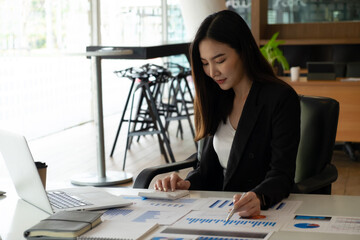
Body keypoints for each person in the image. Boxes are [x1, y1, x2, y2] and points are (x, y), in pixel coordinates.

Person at [154, 10, 300, 218]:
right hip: (219, 210)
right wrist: (187, 182)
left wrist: (259, 197)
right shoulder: (217, 97)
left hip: (261, 212)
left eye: (220, 60)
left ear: (244, 50)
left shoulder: (280, 98)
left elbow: (282, 174)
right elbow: (208, 169)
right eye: (205, 63)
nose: (212, 72)